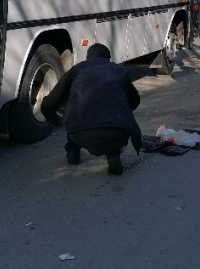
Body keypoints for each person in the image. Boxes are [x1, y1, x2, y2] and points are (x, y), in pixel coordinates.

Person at [41, 43, 142, 175]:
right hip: (118, 133)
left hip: (81, 134)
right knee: (114, 124)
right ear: (108, 57)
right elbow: (135, 100)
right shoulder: (118, 70)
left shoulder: (77, 70)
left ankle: (73, 152)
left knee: (73, 111)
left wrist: (58, 122)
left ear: (88, 57)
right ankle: (113, 155)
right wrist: (122, 112)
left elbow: (48, 105)